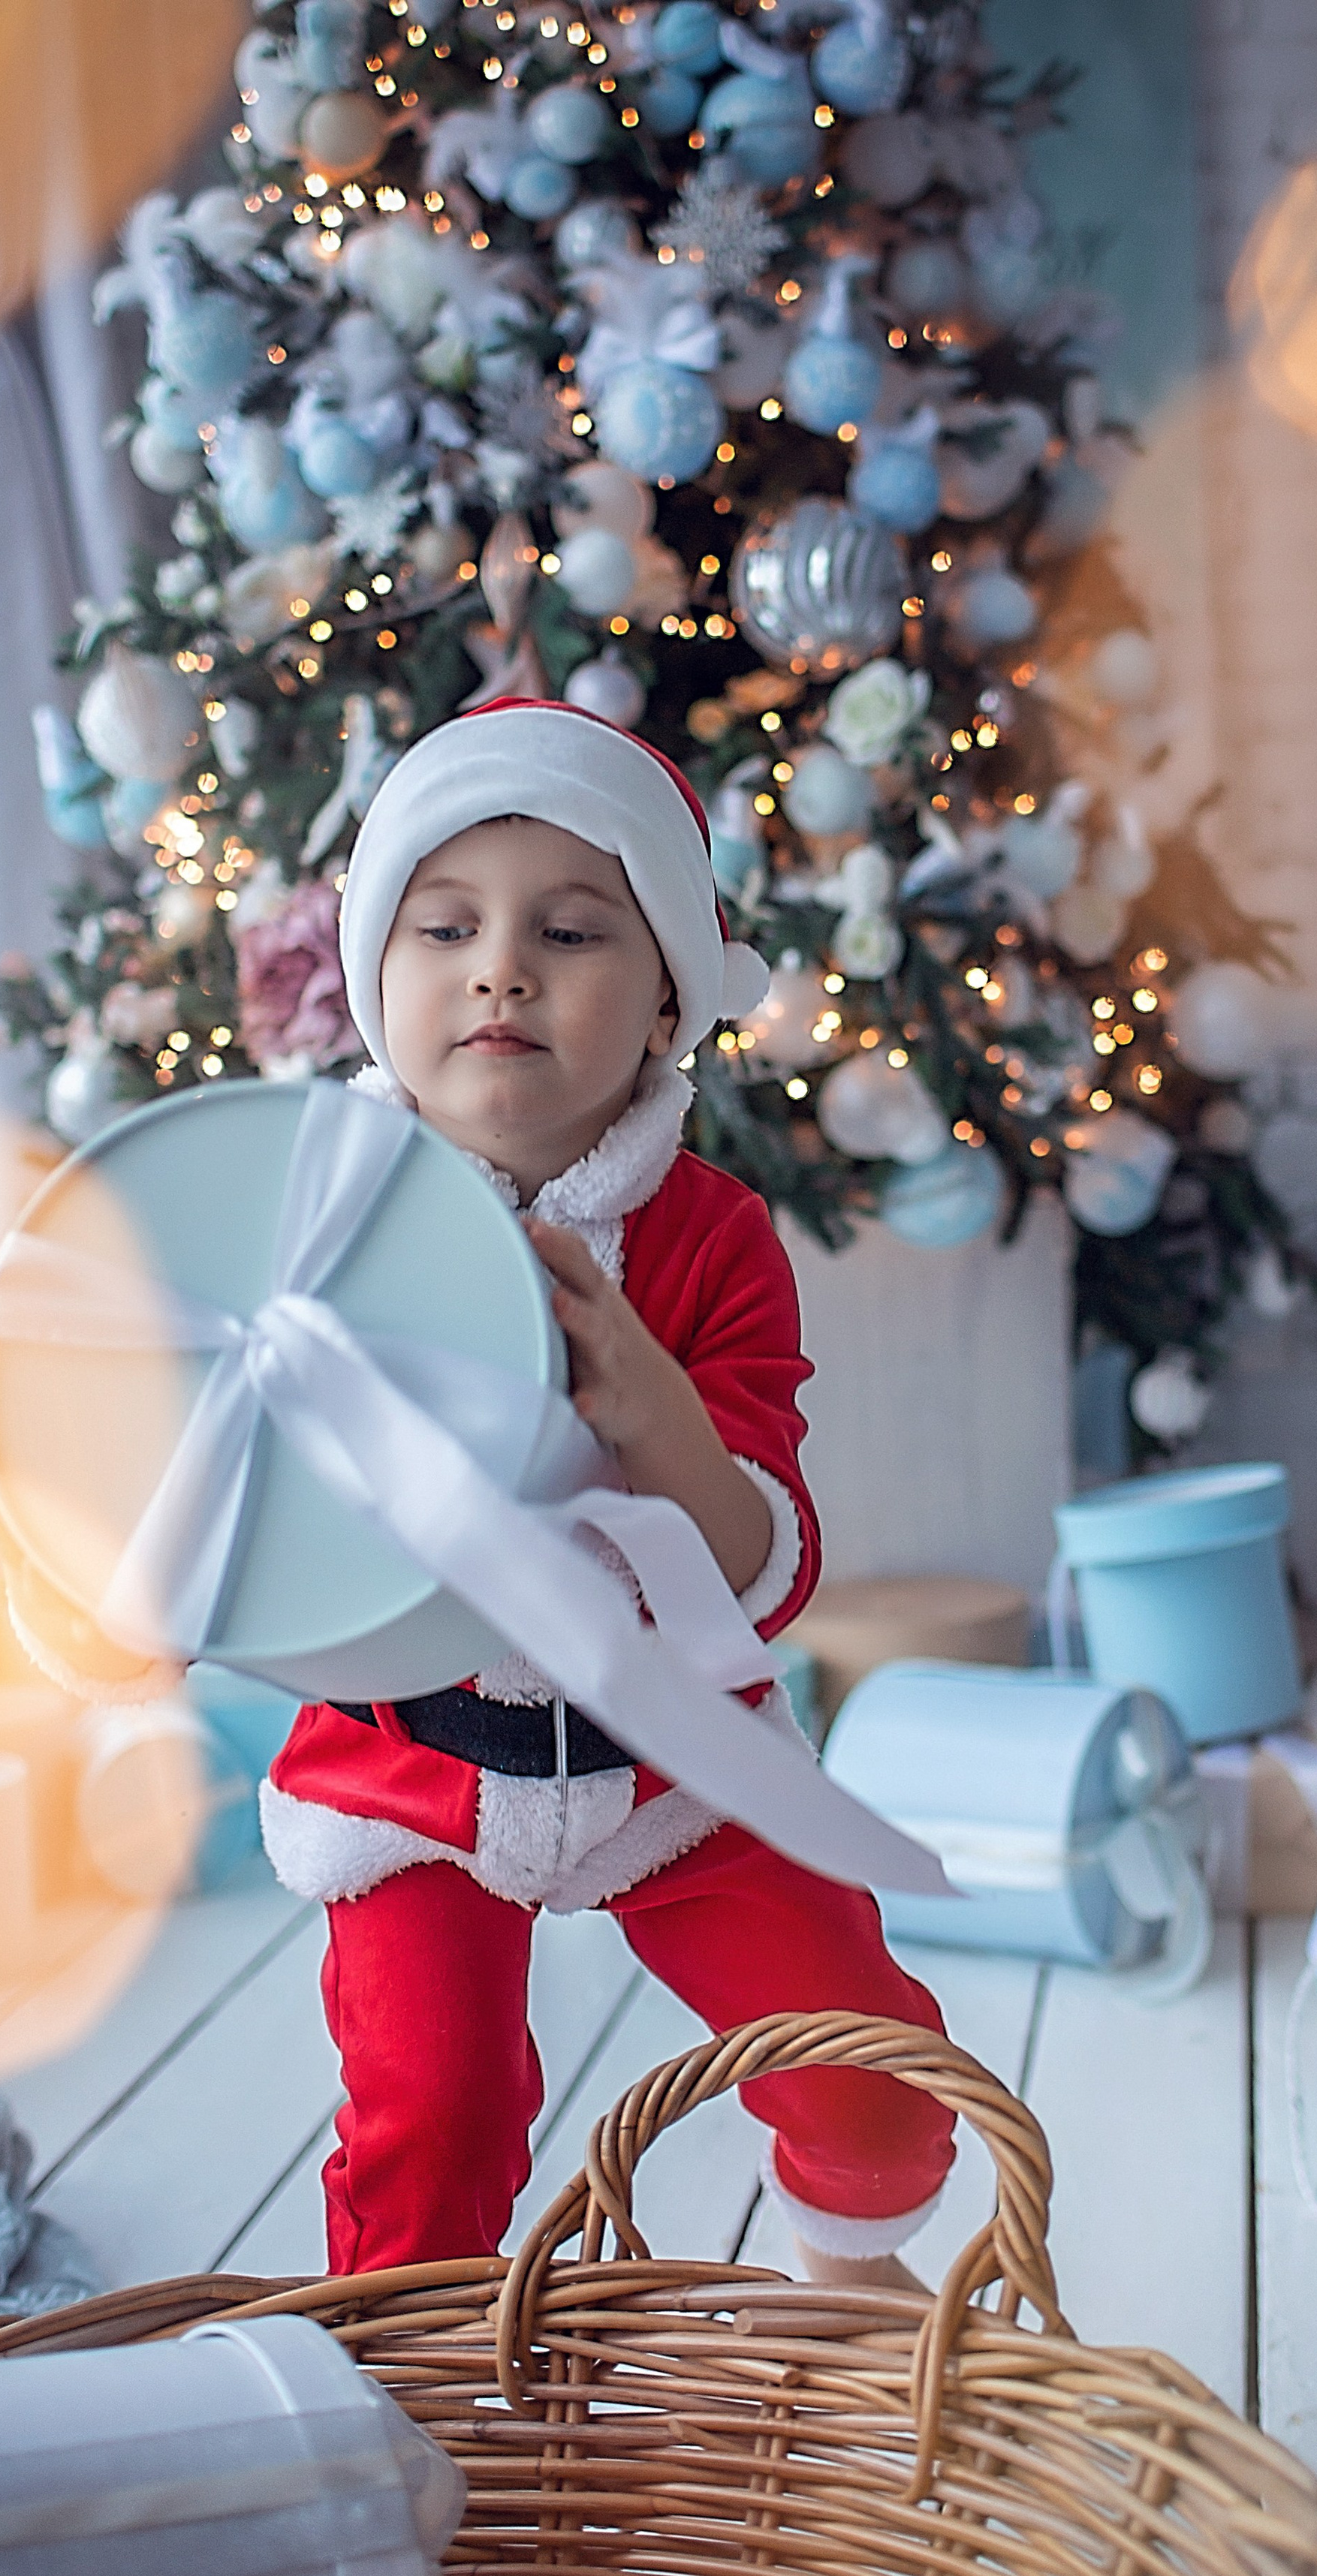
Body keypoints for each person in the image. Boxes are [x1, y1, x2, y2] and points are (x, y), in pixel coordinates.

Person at [258, 698, 957, 2287]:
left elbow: (757, 1570)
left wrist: (656, 1422)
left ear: (662, 1007)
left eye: (569, 931)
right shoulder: (315, 1224)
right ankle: (395, 2401)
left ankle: (844, 2274)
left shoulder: (711, 1244)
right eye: (445, 928)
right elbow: (247, 1515)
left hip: (673, 1771)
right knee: (427, 2117)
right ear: (377, 986)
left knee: (872, 2083)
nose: (500, 965)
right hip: (408, 1786)